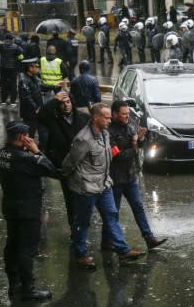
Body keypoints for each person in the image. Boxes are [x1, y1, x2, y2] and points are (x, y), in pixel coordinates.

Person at [61, 103, 145, 270]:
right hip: (86, 188)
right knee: (83, 222)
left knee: (112, 215)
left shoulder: (105, 133)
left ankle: (122, 250)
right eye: (106, 117)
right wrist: (75, 181)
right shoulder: (83, 139)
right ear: (95, 118)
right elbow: (69, 163)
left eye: (109, 117)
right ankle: (81, 255)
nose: (109, 120)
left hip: (104, 184)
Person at [0, 120, 59, 300]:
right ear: (22, 137)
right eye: (28, 136)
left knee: (12, 244)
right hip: (28, 209)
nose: (30, 138)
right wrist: (37, 151)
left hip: (10, 206)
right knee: (27, 249)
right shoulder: (25, 158)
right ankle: (28, 288)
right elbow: (52, 170)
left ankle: (14, 284)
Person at [103, 100, 167, 251]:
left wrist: (141, 138)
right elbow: (118, 155)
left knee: (138, 207)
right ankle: (106, 241)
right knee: (113, 212)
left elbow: (138, 143)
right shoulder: (108, 132)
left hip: (131, 176)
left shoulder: (130, 125)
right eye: (123, 114)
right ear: (114, 114)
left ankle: (149, 238)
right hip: (115, 178)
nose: (127, 116)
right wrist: (135, 146)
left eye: (127, 113)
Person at [37, 90, 90, 228]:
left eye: (68, 102)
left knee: (86, 197)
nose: (66, 105)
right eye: (62, 103)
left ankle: (84, 224)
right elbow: (40, 115)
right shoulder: (53, 119)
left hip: (83, 164)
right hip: (64, 165)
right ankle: (74, 228)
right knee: (70, 199)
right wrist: (55, 100)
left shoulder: (84, 118)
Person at [18, 58, 56, 139]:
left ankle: (42, 149)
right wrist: (36, 108)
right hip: (30, 113)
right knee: (30, 134)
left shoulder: (35, 77)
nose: (39, 68)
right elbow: (26, 97)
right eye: (37, 66)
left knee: (43, 132)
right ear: (30, 68)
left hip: (38, 110)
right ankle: (26, 150)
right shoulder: (23, 80)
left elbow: (42, 87)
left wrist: (54, 86)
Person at [0, 33, 23, 106]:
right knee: (13, 84)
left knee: (3, 84)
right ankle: (12, 102)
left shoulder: (1, 46)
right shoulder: (16, 47)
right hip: (13, 68)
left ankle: (3, 101)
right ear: (12, 39)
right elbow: (21, 57)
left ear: (5, 39)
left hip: (3, 68)